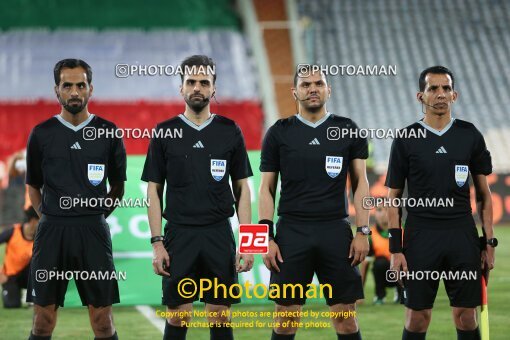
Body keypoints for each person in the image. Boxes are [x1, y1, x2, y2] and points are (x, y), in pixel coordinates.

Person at [142, 55, 254, 340]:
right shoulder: (164, 132)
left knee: (220, 315)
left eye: (204, 82)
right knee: (179, 316)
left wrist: (249, 242)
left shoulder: (230, 130)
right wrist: (157, 244)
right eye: (191, 82)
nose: (197, 88)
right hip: (179, 234)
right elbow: (153, 191)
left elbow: (243, 188)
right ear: (181, 87)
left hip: (219, 233)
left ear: (213, 89)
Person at [259, 65, 370, 340]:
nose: (312, 89)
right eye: (306, 84)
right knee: (286, 318)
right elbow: (266, 189)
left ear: (328, 90)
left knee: (346, 318)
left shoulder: (347, 129)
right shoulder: (279, 132)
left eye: (319, 84)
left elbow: (361, 184)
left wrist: (362, 231)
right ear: (294, 91)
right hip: (291, 233)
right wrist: (265, 238)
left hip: (335, 231)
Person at [386, 66, 495, 340]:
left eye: (446, 88)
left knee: (466, 316)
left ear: (454, 95)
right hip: (421, 235)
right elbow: (393, 198)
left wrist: (488, 243)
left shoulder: (470, 135)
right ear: (420, 96)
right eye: (432, 88)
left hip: (462, 234)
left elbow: (484, 195)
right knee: (417, 317)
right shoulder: (405, 138)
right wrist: (395, 250)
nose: (440, 94)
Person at [25, 59, 126, 339]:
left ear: (90, 89)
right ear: (56, 90)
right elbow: (33, 184)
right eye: (66, 85)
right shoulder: (42, 133)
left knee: (103, 322)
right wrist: (47, 216)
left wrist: (95, 216)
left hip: (93, 232)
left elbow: (118, 187)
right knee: (42, 322)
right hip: (51, 232)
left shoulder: (109, 132)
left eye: (80, 85)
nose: (74, 92)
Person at [360, 205, 401, 304]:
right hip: (382, 274)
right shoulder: (371, 235)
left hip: (402, 273)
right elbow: (365, 264)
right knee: (380, 262)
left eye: (386, 209)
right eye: (379, 210)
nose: (383, 213)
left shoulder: (403, 230)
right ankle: (379, 296)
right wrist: (359, 294)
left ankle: (402, 293)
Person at [0, 206, 39, 308]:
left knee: (38, 263)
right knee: (12, 305)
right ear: (33, 221)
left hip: (29, 275)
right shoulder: (13, 232)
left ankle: (33, 298)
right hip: (10, 276)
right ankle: (12, 293)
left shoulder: (42, 237)